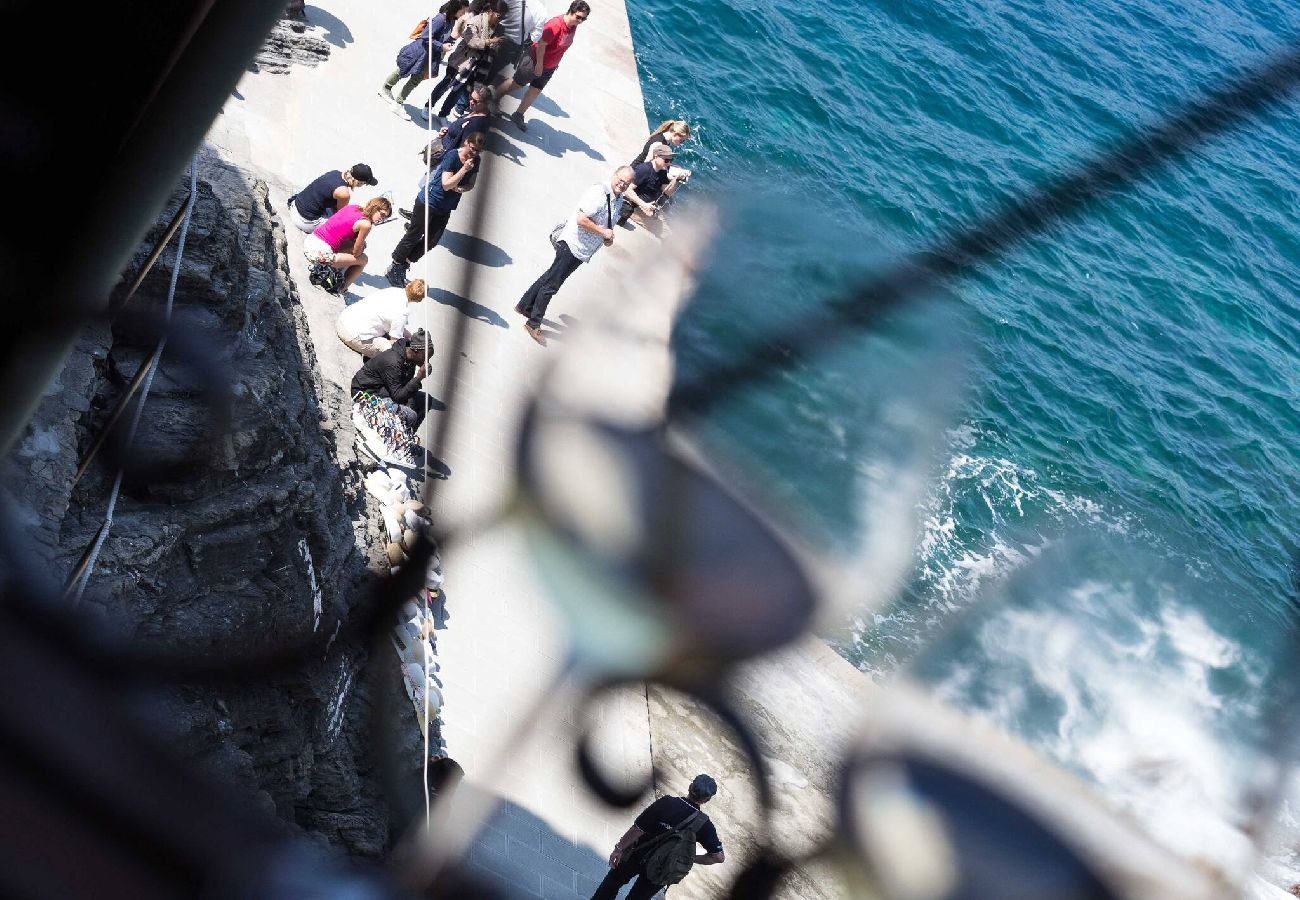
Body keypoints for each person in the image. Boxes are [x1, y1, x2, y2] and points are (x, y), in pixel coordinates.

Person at [514, 166, 632, 346]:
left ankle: (524, 305)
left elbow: (608, 225)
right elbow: (581, 219)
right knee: (552, 285)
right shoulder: (599, 192)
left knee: (550, 276)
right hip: (572, 244)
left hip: (582, 250)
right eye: (620, 180)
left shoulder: (619, 199)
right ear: (614, 175)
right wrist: (602, 232)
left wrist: (607, 237)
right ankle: (533, 323)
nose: (622, 184)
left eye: (627, 183)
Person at [591, 774, 725, 900]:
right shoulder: (704, 824)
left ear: (690, 787)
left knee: (614, 881)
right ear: (707, 799)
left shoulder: (667, 803)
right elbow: (718, 857)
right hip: (662, 869)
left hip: (637, 854)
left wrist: (619, 849)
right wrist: (687, 858)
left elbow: (638, 829)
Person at [387, 133, 485, 287]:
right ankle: (394, 265)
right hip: (429, 201)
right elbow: (446, 184)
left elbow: (471, 183)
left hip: (445, 207)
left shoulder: (475, 161)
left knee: (431, 241)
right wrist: (464, 170)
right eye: (472, 148)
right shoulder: (453, 157)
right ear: (466, 142)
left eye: (477, 151)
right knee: (414, 234)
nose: (474, 153)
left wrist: (462, 188)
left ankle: (404, 264)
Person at [496, 0, 589, 132]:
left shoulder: (573, 27)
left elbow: (560, 48)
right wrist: (539, 65)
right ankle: (492, 98)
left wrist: (555, 64)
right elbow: (541, 45)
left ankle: (518, 114)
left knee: (535, 90)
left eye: (583, 19)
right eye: (578, 17)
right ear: (571, 11)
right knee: (517, 83)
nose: (580, 21)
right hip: (534, 61)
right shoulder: (556, 24)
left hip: (549, 67)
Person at [423, 0, 505, 123]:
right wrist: (491, 42)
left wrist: (497, 45)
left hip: (474, 66)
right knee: (444, 85)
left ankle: (443, 114)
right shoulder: (474, 21)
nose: (500, 20)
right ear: (490, 11)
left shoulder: (498, 28)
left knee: (457, 92)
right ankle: (427, 107)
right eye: (499, 16)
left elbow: (495, 50)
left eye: (503, 17)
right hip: (460, 61)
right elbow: (472, 41)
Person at [380, 1, 469, 106]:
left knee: (416, 79)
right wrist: (441, 46)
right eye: (462, 11)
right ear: (456, 8)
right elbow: (425, 36)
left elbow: (441, 37)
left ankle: (399, 102)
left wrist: (448, 42)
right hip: (420, 52)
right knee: (404, 70)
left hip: (430, 56)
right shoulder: (440, 20)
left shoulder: (451, 21)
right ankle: (386, 88)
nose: (463, 14)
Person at [303, 197, 392, 293]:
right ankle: (341, 288)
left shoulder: (354, 207)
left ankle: (332, 264)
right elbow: (356, 253)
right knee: (364, 259)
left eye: (385, 218)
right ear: (375, 208)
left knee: (358, 245)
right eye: (382, 215)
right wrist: (361, 247)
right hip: (319, 253)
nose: (382, 219)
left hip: (311, 241)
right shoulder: (366, 224)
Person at [350, 329, 433, 429]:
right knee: (410, 415)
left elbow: (403, 386)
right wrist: (419, 378)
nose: (427, 361)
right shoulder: (393, 362)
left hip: (386, 390)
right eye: (425, 357)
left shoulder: (410, 359)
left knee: (425, 400)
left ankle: (404, 435)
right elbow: (398, 396)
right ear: (416, 351)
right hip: (367, 393)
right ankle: (394, 434)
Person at [336, 279, 427, 357]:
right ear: (418, 300)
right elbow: (394, 341)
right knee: (394, 351)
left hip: (344, 319)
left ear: (409, 284)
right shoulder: (402, 312)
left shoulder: (392, 290)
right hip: (351, 335)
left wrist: (408, 335)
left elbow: (390, 319)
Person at [286, 164, 378, 233]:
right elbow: (340, 216)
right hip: (303, 220)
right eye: (364, 184)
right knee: (346, 228)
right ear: (359, 182)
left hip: (295, 205)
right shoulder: (343, 193)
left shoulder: (335, 173)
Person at [617, 144, 685, 226]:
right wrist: (643, 205)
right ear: (656, 156)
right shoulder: (644, 169)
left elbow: (667, 192)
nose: (669, 163)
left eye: (671, 160)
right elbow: (627, 190)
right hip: (638, 207)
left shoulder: (662, 172)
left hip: (648, 207)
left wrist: (677, 179)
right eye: (666, 160)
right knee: (666, 234)